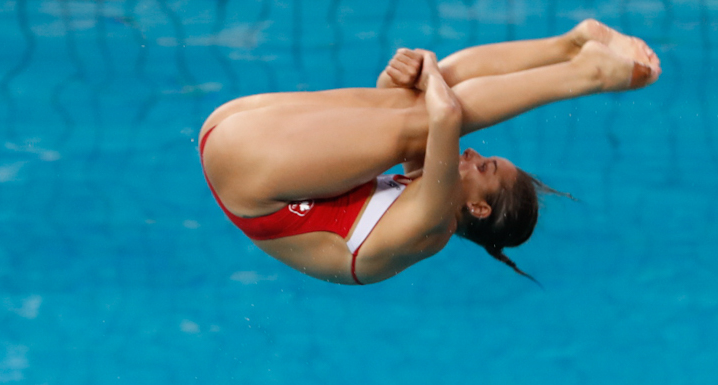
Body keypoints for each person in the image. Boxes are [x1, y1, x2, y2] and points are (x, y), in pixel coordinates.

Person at [198, 20, 660, 285]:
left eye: (486, 168)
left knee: (430, 111)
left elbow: (444, 117)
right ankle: (568, 45)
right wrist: (402, 78)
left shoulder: (432, 223)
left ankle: (589, 75)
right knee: (415, 102)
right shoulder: (424, 194)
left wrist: (429, 69)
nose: (474, 154)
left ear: (477, 207)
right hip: (239, 139)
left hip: (244, 161)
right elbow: (405, 115)